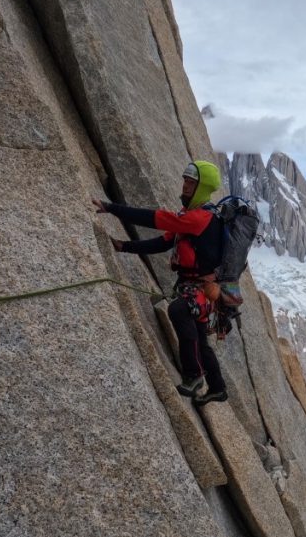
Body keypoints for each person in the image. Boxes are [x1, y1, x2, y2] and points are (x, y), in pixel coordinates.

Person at [93, 160, 228, 405]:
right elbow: (163, 242)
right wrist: (126, 247)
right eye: (185, 180)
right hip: (199, 289)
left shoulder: (198, 219)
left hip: (200, 290)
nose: (185, 186)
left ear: (203, 187)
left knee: (179, 311)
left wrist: (111, 207)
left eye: (191, 182)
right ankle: (217, 388)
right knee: (199, 337)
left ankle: (194, 375)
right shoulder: (192, 217)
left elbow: (155, 219)